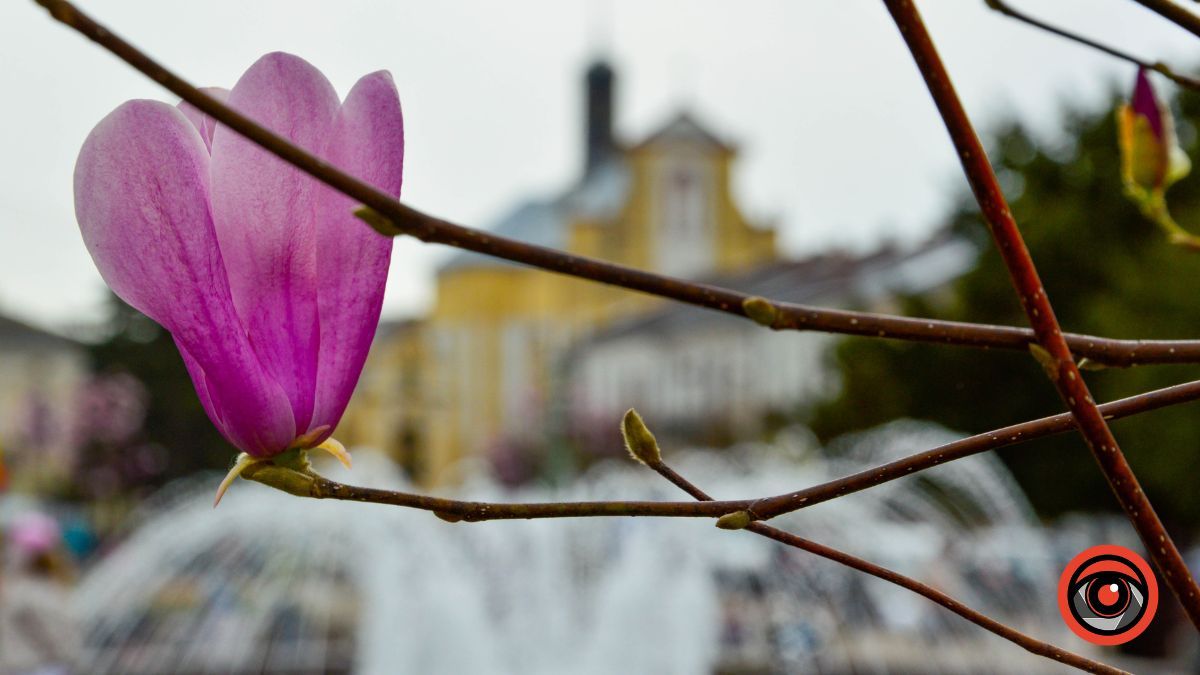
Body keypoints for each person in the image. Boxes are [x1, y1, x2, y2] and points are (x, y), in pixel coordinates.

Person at [0, 512, 80, 675]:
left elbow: (57, 636)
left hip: (39, 666)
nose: (8, 553)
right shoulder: (30, 587)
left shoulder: (33, 589)